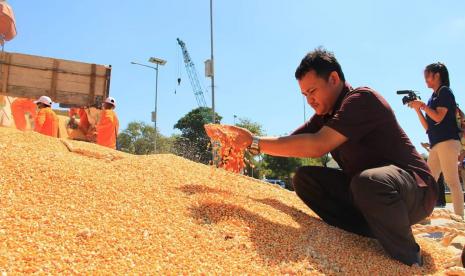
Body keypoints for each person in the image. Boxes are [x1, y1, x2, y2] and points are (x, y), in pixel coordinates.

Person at [212, 48, 438, 266]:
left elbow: (317, 145)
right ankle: (370, 232)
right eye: (304, 95)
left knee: (369, 181)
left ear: (333, 78)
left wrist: (253, 142)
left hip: (415, 191)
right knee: (305, 179)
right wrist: (245, 144)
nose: (309, 100)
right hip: (368, 193)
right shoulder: (324, 115)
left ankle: (408, 259)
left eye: (312, 91)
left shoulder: (362, 99)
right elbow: (291, 142)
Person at [409, 62, 463, 218]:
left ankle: (459, 218)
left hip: (447, 141)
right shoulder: (433, 97)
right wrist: (418, 110)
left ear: (437, 75)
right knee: (430, 180)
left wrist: (423, 106)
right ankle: (423, 215)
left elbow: (438, 117)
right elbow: (428, 127)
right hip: (436, 143)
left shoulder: (444, 92)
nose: (425, 79)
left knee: (451, 180)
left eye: (427, 75)